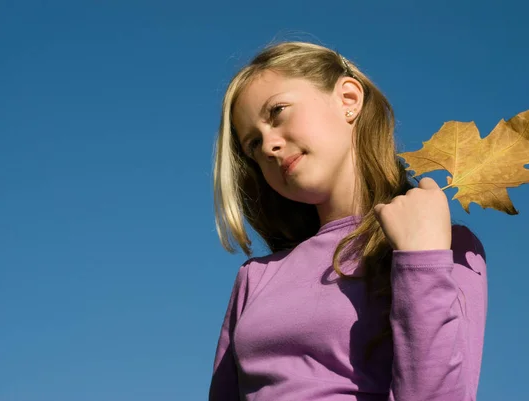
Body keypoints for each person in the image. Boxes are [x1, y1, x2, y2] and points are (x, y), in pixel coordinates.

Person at [209, 41, 488, 401]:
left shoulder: (447, 247)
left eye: (278, 112)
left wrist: (422, 260)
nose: (268, 146)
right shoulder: (255, 277)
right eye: (253, 144)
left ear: (349, 99)